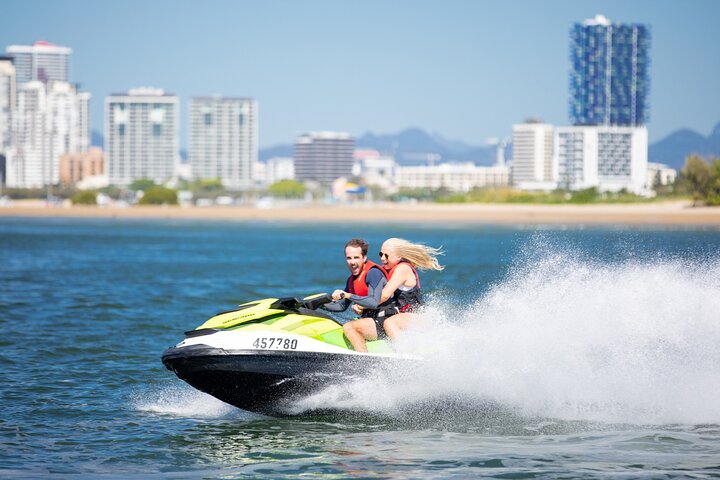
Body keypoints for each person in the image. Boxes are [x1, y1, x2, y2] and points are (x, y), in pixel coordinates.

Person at [323, 238, 389, 352]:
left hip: (385, 320)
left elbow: (373, 302)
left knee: (349, 327)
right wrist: (318, 304)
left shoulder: (373, 273)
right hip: (371, 321)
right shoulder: (351, 280)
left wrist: (348, 295)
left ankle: (364, 364)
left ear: (364, 258)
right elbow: (341, 306)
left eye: (356, 257)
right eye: (349, 258)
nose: (352, 262)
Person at [375, 237, 444, 340]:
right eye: (381, 254)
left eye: (386, 255)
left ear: (398, 256)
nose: (382, 258)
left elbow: (384, 295)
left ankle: (403, 352)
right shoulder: (386, 270)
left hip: (417, 316)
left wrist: (363, 305)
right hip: (401, 316)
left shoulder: (403, 269)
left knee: (390, 323)